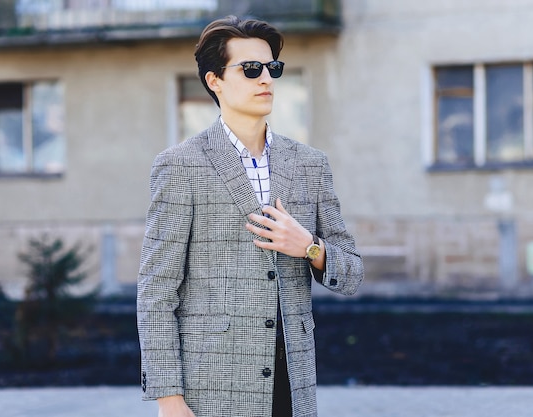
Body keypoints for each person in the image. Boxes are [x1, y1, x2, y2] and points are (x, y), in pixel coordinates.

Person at [136, 15, 364, 417]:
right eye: (251, 69)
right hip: (210, 386)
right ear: (214, 81)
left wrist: (309, 247)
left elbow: (352, 273)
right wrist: (168, 398)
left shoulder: (310, 164)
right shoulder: (180, 166)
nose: (266, 79)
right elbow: (156, 293)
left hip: (292, 385)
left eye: (272, 68)